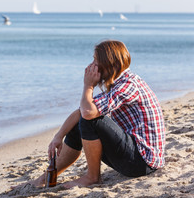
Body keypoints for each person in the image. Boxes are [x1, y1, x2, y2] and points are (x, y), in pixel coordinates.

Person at [17, 39, 165, 189]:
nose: (91, 65)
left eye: (95, 60)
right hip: (133, 157)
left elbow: (88, 113)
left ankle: (92, 177)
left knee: (90, 120)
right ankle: (44, 179)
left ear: (108, 62)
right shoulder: (119, 82)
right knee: (82, 122)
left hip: (142, 162)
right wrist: (58, 136)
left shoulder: (128, 85)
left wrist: (88, 86)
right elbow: (81, 111)